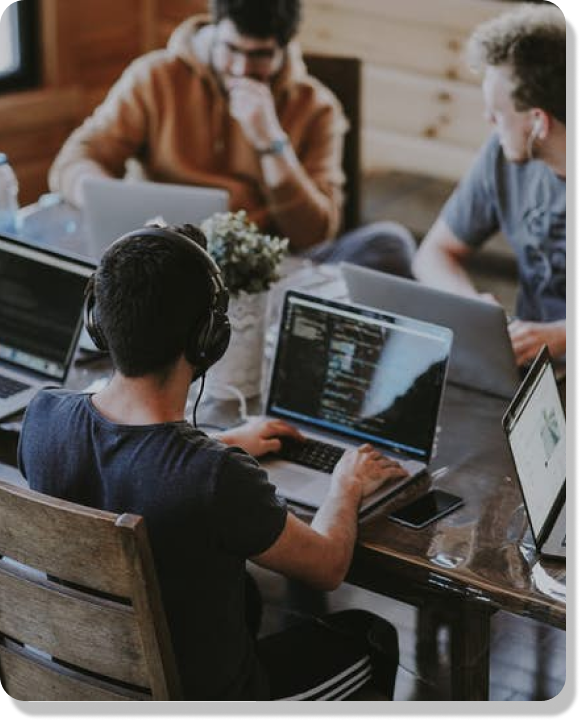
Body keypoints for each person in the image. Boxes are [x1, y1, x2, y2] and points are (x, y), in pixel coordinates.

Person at [17, 223, 408, 701]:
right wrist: (346, 484)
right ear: (210, 339)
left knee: (242, 597)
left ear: (100, 321)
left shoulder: (42, 418)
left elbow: (132, 464)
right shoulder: (214, 477)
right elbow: (327, 566)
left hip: (80, 678)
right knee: (371, 638)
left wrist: (221, 441)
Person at [48, 0, 415, 275]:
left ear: (284, 47)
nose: (241, 69)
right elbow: (74, 161)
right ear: (215, 26)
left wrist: (272, 142)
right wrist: (102, 199)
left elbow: (315, 234)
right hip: (165, 257)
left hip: (266, 268)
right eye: (231, 49)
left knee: (390, 244)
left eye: (259, 55)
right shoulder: (154, 77)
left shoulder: (317, 107)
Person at [412, 3, 566, 368]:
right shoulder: (501, 157)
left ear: (538, 123)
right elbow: (433, 254)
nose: (488, 121)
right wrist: (469, 305)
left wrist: (559, 337)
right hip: (531, 371)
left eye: (497, 115)